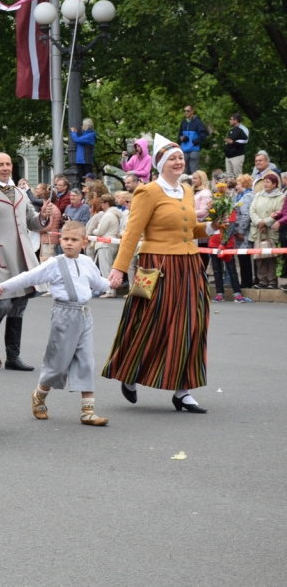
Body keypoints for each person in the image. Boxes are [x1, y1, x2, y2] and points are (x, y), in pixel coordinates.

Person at [102, 133, 218, 414]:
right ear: (161, 163)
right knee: (149, 323)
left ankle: (183, 391)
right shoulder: (147, 191)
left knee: (192, 324)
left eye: (180, 157)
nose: (179, 162)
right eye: (173, 158)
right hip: (157, 266)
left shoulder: (187, 191)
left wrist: (213, 227)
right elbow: (132, 233)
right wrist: (118, 268)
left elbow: (190, 230)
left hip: (189, 266)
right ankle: (130, 372)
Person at [0, 220, 110, 426]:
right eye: (65, 239)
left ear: (84, 243)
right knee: (57, 362)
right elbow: (28, 277)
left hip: (84, 315)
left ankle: (88, 411)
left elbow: (100, 283)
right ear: (59, 240)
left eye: (74, 240)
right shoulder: (54, 264)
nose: (69, 243)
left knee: (86, 361)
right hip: (63, 315)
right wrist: (0, 288)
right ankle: (40, 395)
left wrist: (114, 282)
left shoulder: (88, 263)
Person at [0, 152, 53, 371]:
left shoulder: (19, 192)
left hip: (21, 256)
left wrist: (43, 215)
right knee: (2, 304)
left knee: (19, 305)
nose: (5, 168)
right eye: (0, 164)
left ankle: (13, 357)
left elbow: (32, 223)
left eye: (8, 164)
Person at [249, 172, 284, 289]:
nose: (265, 184)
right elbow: (252, 211)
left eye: (268, 182)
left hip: (272, 230)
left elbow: (279, 212)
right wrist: (259, 222)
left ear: (274, 184)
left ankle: (272, 281)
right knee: (260, 257)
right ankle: (262, 281)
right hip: (258, 231)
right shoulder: (258, 195)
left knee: (272, 257)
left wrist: (265, 222)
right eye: (264, 181)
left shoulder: (280, 197)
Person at [89, 195, 122, 297]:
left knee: (106, 268)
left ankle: (110, 291)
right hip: (112, 243)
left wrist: (93, 230)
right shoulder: (115, 215)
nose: (100, 205)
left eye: (102, 203)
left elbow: (100, 231)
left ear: (107, 203)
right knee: (109, 267)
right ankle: (110, 290)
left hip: (105, 244)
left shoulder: (108, 215)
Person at [234, 174, 255, 289]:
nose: (236, 186)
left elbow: (246, 215)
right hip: (241, 232)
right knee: (243, 258)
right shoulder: (241, 195)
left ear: (244, 184)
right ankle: (246, 280)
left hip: (244, 233)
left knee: (244, 258)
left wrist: (240, 231)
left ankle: (246, 282)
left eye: (238, 183)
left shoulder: (247, 197)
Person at [193, 170, 213, 270]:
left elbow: (204, 211)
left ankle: (203, 273)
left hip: (202, 224)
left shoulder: (206, 192)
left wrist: (188, 214)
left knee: (202, 251)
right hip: (194, 223)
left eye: (195, 178)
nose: (193, 180)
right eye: (193, 178)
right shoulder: (195, 191)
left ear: (202, 179)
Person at [179, 105, 207, 174]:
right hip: (185, 149)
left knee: (194, 170)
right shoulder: (183, 122)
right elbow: (179, 134)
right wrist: (181, 138)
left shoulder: (197, 122)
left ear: (192, 111)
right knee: (186, 170)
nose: (186, 112)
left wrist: (194, 142)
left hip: (193, 149)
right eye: (185, 111)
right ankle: (187, 184)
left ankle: (194, 184)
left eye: (188, 111)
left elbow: (203, 135)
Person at [70, 119, 97, 183]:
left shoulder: (90, 135)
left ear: (86, 126)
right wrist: (75, 134)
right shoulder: (85, 135)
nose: (81, 126)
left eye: (83, 125)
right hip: (81, 160)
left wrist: (73, 132)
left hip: (85, 161)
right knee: (82, 180)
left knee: (88, 180)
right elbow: (78, 142)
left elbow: (77, 140)